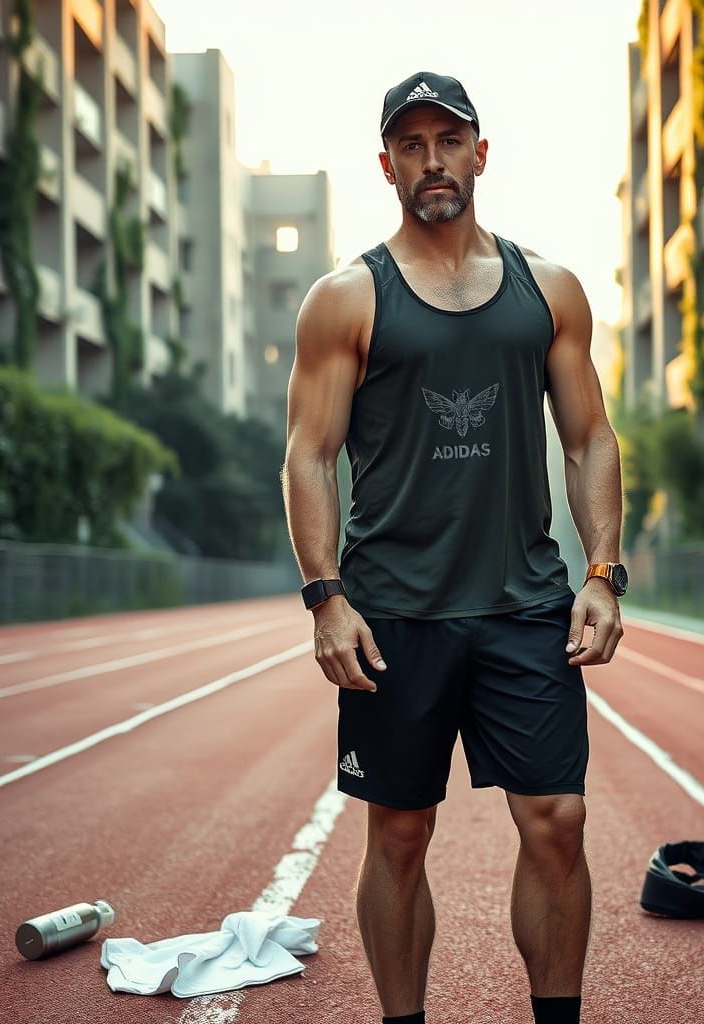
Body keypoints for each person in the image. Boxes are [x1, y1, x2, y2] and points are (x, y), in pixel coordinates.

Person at [282, 71, 627, 1024]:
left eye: (449, 140)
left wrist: (602, 572)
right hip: (396, 612)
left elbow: (590, 436)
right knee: (398, 833)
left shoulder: (547, 289)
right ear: (386, 164)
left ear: (482, 152)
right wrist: (326, 596)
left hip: (524, 603)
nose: (432, 161)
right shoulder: (345, 299)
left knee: (558, 822)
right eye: (412, 144)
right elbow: (307, 456)